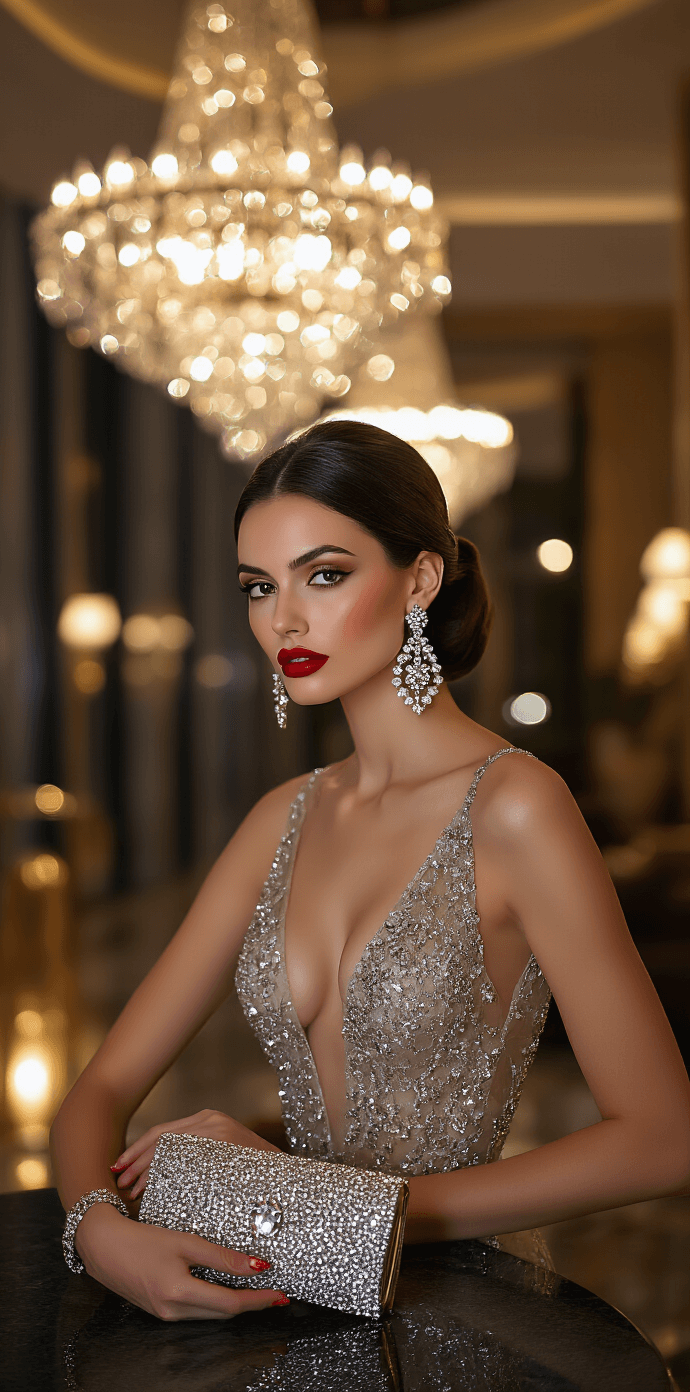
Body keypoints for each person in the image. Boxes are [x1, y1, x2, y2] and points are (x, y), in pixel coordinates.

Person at [51, 419, 690, 1322]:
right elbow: (100, 1092)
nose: (284, 619)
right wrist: (98, 1232)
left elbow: (664, 1141)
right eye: (259, 586)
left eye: (324, 575)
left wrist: (309, 1200)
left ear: (420, 579)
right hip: (289, 1283)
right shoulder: (282, 818)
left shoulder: (515, 807)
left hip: (462, 1306)